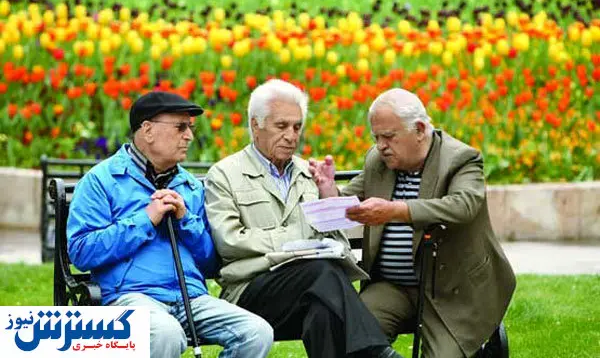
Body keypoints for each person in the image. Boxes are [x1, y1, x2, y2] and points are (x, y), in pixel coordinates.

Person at [309, 88, 516, 358]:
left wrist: (396, 211)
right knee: (350, 338)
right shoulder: (378, 160)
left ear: (419, 130)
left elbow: (463, 205)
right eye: (376, 137)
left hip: (449, 291)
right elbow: (350, 204)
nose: (381, 145)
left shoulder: (460, 158)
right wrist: (329, 191)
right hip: (391, 287)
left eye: (389, 136)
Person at [204, 79, 402, 358]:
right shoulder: (224, 174)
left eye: (297, 127)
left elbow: (339, 243)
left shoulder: (309, 173)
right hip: (250, 292)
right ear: (255, 125)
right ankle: (377, 352)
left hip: (312, 290)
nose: (291, 136)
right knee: (320, 273)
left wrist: (329, 196)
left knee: (323, 310)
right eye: (282, 126)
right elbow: (230, 241)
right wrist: (296, 240)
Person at [67, 91, 274, 358]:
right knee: (166, 333)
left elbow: (211, 263)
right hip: (130, 297)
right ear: (148, 130)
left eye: (190, 128)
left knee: (257, 332)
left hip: (191, 297)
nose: (189, 136)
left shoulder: (190, 186)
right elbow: (82, 251)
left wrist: (185, 221)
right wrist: (145, 220)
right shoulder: (101, 180)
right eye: (180, 127)